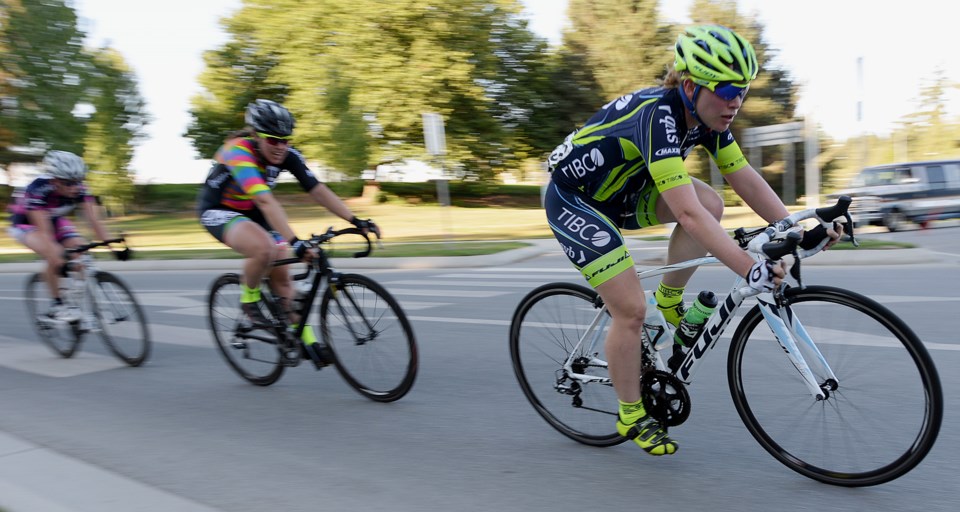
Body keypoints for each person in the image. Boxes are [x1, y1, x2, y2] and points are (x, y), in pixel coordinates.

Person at [543, 25, 840, 456]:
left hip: (624, 194)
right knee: (629, 308)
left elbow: (746, 180)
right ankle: (631, 413)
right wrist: (747, 266)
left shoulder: (706, 119)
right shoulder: (656, 116)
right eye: (725, 90)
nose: (735, 101)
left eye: (742, 90)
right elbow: (685, 215)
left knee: (711, 200)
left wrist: (796, 230)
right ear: (689, 86)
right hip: (576, 201)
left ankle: (670, 296)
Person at [197, 99, 380, 359]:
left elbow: (317, 189)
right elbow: (265, 200)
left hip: (256, 212)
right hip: (220, 210)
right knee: (263, 249)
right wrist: (295, 240)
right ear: (256, 136)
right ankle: (249, 300)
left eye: (286, 140)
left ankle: (305, 340)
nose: (281, 147)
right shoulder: (238, 152)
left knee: (282, 270)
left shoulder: (288, 155)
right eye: (273, 140)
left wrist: (356, 220)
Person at [7, 150, 121, 321]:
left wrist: (112, 246)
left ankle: (79, 303)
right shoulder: (37, 190)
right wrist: (57, 256)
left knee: (81, 254)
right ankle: (58, 304)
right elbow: (45, 232)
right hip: (27, 224)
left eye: (79, 181)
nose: (76, 187)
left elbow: (94, 221)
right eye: (69, 183)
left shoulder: (80, 189)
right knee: (55, 255)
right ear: (54, 181)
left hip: (54, 219)